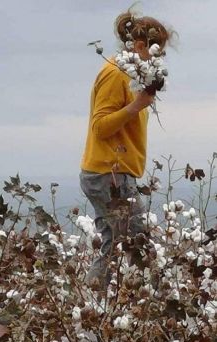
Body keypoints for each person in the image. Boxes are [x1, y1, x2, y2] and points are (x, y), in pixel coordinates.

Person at [79, 5, 177, 290]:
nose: (158, 59)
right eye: (156, 52)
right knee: (141, 241)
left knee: (116, 243)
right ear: (138, 45)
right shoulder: (116, 73)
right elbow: (100, 127)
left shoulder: (129, 75)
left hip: (110, 172)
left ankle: (98, 306)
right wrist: (136, 106)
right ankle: (158, 299)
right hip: (110, 173)